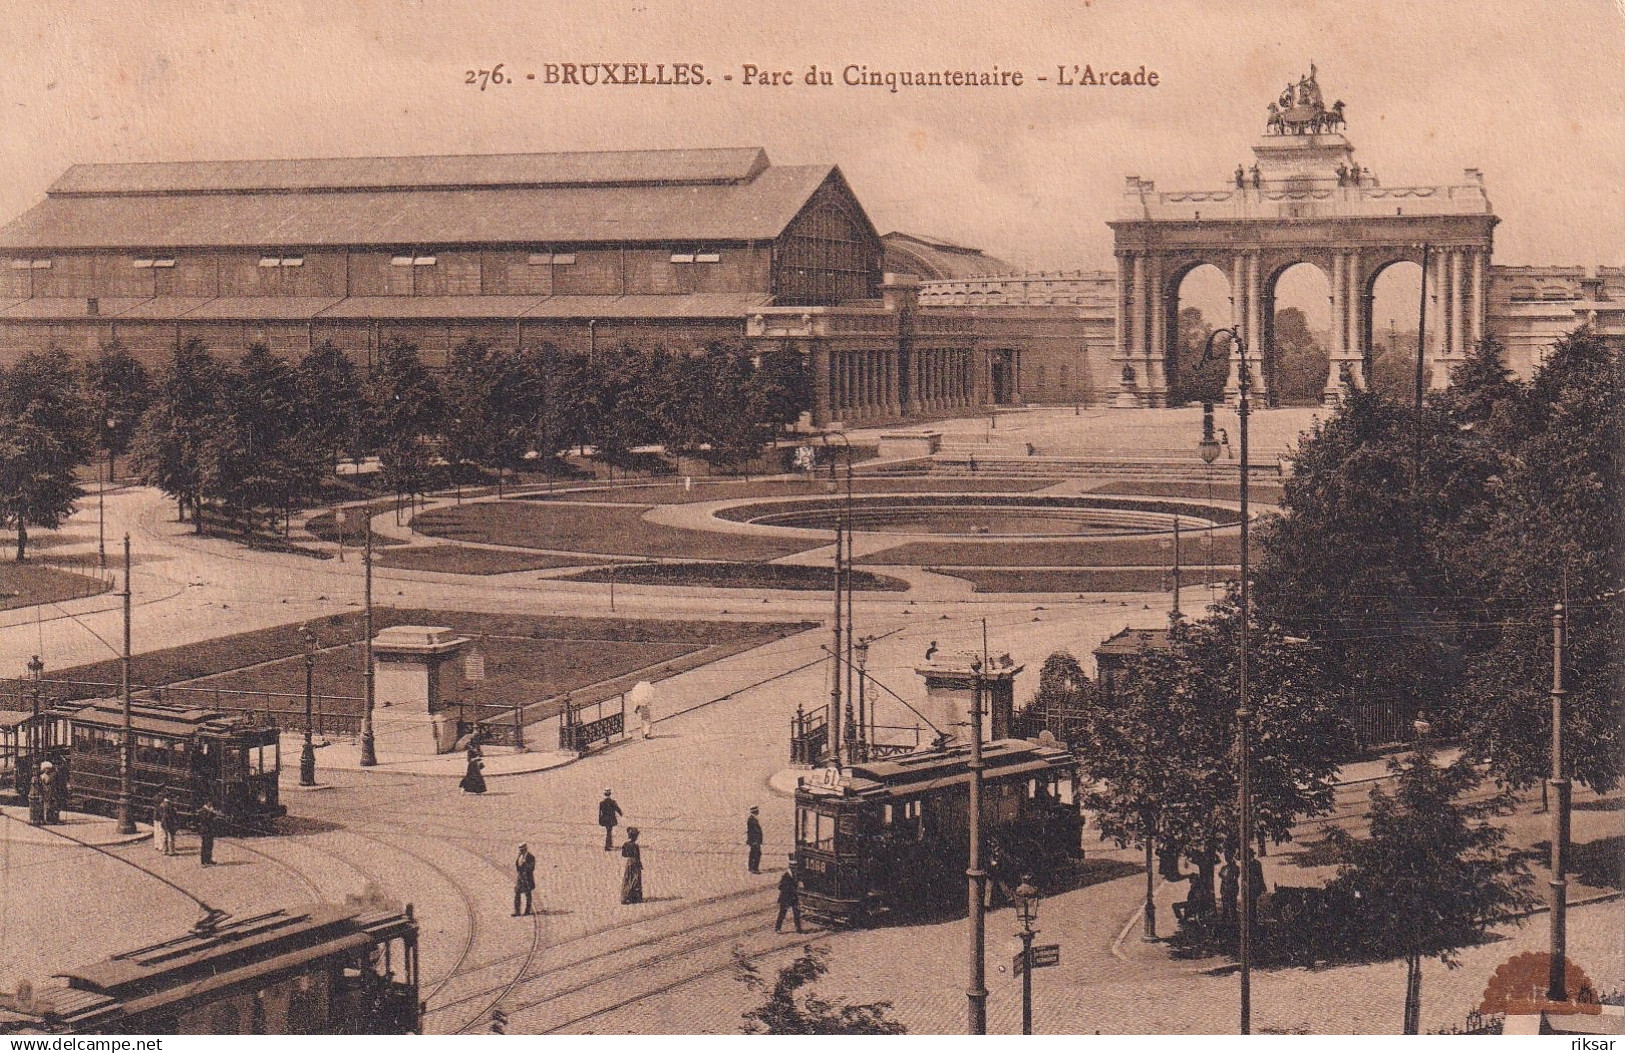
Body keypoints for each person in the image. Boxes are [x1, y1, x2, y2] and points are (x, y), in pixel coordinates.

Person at [775, 855, 804, 933]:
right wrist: (789, 889)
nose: (795, 869)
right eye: (793, 867)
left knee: (796, 913)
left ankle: (798, 929)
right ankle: (778, 928)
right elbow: (780, 886)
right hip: (785, 898)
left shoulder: (795, 875)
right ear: (790, 867)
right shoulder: (785, 876)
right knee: (782, 913)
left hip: (793, 897)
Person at [620, 827, 643, 904]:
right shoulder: (635, 846)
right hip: (635, 862)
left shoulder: (626, 844)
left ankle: (626, 895)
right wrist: (640, 864)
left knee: (628, 879)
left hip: (629, 862)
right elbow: (638, 856)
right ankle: (634, 896)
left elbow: (623, 855)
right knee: (635, 879)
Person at [513, 844, 536, 916]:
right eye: (520, 850)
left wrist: (525, 863)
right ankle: (517, 911)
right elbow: (517, 865)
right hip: (520, 878)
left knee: (528, 894)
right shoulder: (519, 856)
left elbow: (532, 868)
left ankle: (527, 910)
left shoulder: (530, 857)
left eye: (522, 850)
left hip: (527, 878)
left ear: (525, 849)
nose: (520, 852)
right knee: (517, 893)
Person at [197, 802, 219, 866]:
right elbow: (205, 820)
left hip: (210, 831)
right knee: (205, 846)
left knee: (210, 846)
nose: (211, 805)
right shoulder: (203, 811)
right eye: (210, 804)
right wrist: (210, 812)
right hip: (205, 831)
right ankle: (203, 862)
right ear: (207, 804)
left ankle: (209, 860)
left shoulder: (208, 810)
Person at [745, 806, 764, 874]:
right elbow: (753, 832)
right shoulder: (752, 820)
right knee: (756, 854)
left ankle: (752, 868)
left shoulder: (753, 819)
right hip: (754, 841)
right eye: (757, 811)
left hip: (754, 840)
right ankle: (754, 868)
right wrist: (755, 841)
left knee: (753, 853)